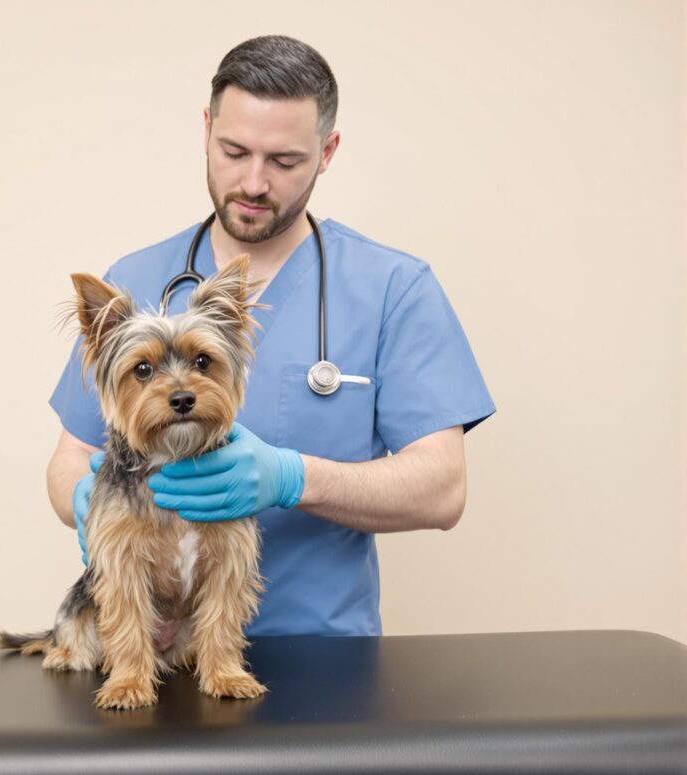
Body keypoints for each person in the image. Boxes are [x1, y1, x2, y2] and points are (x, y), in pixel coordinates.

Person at [45, 35, 495, 637]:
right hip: (159, 656)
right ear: (206, 129)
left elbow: (443, 490)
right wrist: (87, 500)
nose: (254, 183)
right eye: (233, 151)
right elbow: (69, 458)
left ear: (327, 151)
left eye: (284, 162)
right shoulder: (134, 280)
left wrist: (293, 478)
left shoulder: (394, 288)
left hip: (324, 657)